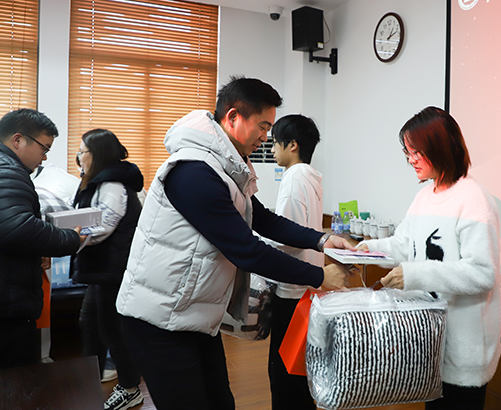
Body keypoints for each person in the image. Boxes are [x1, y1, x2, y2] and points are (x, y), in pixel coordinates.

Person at [116, 76, 354, 410]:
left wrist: (322, 239)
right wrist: (319, 276)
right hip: (159, 319)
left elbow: (264, 218)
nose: (266, 137)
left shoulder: (227, 169)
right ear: (232, 117)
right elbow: (247, 250)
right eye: (263, 126)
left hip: (195, 315)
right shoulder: (194, 171)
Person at [357, 106, 501, 410]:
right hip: (429, 339)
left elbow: (481, 272)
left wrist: (414, 274)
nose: (411, 160)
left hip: (464, 348)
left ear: (440, 148)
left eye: (417, 153)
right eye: (407, 153)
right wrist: (365, 250)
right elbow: (403, 244)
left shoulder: (473, 198)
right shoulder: (424, 196)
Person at [0, 108, 84, 373]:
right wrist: (70, 238)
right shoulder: (4, 170)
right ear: (18, 140)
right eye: (44, 148)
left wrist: (36, 250)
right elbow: (17, 228)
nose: (44, 157)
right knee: (8, 382)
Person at [73, 129, 144, 410]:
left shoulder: (113, 184)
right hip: (103, 270)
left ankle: (130, 388)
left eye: (82, 152)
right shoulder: (102, 181)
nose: (79, 157)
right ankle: (90, 383)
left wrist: (67, 236)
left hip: (113, 271)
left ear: (97, 154)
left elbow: (101, 228)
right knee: (91, 324)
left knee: (112, 331)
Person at [265, 114, 324, 409]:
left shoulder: (293, 177)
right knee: (299, 371)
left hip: (291, 290)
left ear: (292, 145)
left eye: (275, 143)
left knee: (283, 374)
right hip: (307, 289)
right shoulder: (311, 178)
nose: (271, 149)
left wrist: (260, 246)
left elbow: (287, 237)